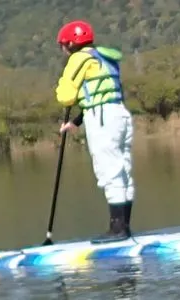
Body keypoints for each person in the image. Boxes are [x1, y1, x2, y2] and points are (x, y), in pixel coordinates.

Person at [52, 19, 136, 243]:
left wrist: (63, 86)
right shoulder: (104, 57)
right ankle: (124, 227)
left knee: (110, 172)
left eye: (62, 45)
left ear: (70, 44)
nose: (62, 49)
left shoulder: (78, 58)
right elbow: (101, 93)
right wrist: (76, 122)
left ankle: (117, 230)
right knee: (123, 170)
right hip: (119, 115)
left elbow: (66, 96)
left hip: (103, 119)